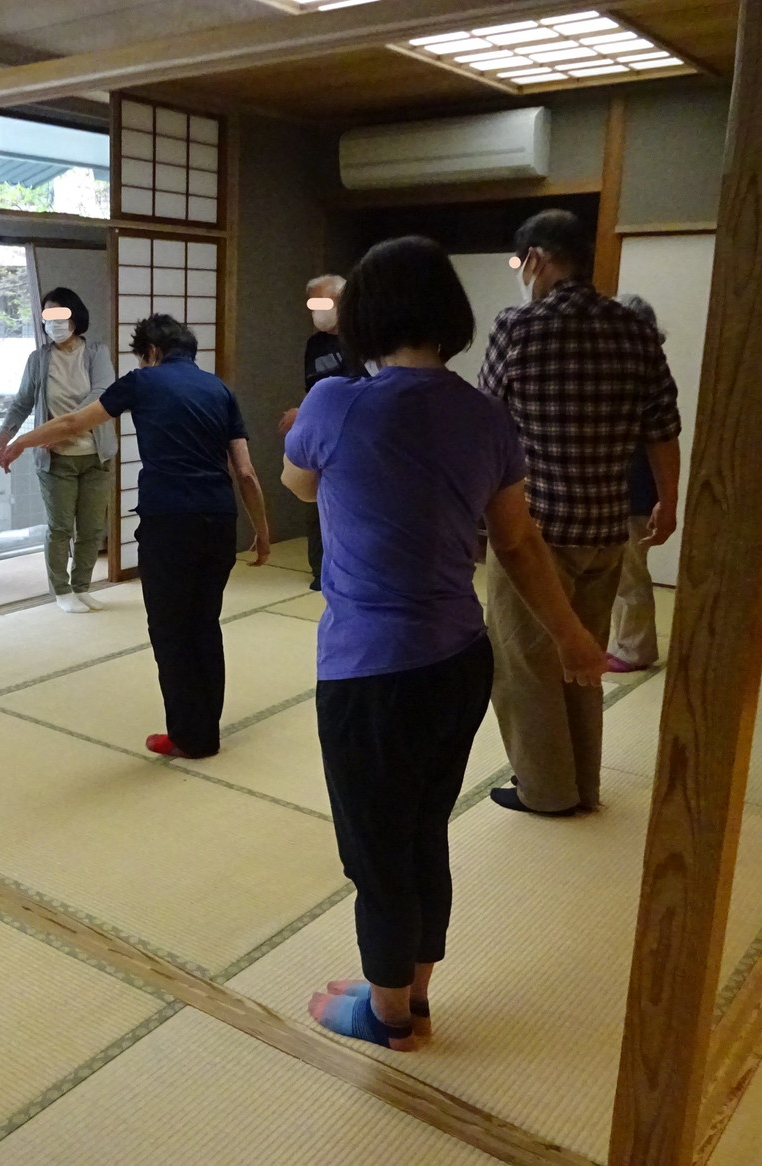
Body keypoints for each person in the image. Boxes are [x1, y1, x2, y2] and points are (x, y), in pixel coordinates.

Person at [282, 235, 606, 1051]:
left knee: (375, 851)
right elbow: (518, 542)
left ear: (362, 316)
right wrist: (571, 637)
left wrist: (314, 435)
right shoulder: (484, 415)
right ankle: (411, 993)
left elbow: (299, 485)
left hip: (368, 670)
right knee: (423, 831)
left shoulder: (334, 403)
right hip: (459, 658)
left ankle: (388, 1015)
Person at [479, 209, 682, 815]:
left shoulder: (518, 327)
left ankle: (546, 792)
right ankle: (582, 784)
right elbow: (663, 426)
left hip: (533, 529)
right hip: (606, 529)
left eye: (521, 263)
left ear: (537, 258)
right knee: (585, 657)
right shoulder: (634, 328)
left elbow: (487, 421)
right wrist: (669, 500)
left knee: (524, 664)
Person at [0, 315, 270, 760]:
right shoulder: (220, 390)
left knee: (170, 629)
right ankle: (205, 730)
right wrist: (262, 531)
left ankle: (188, 737)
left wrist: (19, 443)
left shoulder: (143, 382)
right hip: (219, 521)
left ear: (152, 352)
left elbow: (73, 423)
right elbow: (245, 472)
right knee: (204, 624)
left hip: (169, 523)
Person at [0, 287, 117, 613]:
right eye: (48, 317)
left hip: (96, 456)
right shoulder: (39, 359)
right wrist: (4, 436)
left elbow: (101, 396)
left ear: (75, 317)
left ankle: (82, 587)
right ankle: (61, 590)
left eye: (61, 315)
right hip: (55, 459)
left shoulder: (96, 353)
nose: (54, 323)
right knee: (60, 528)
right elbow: (22, 403)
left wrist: (62, 428)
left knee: (91, 529)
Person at [608, 294, 667, 673]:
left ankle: (635, 649)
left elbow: (660, 440)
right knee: (621, 573)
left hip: (633, 491)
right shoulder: (645, 372)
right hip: (632, 489)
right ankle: (625, 643)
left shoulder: (638, 376)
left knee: (628, 574)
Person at [280, 274, 350, 591]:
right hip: (319, 431)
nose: (317, 310)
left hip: (351, 433)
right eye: (313, 304)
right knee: (313, 500)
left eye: (323, 302)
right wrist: (305, 412)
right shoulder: (315, 344)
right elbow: (312, 388)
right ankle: (319, 571)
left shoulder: (364, 341)